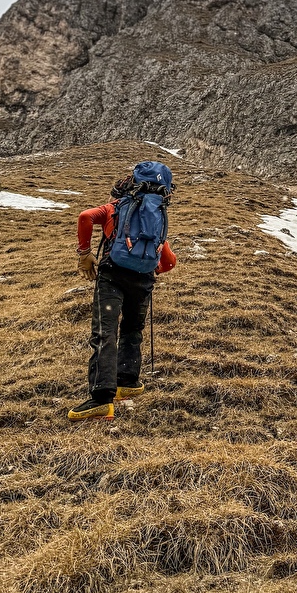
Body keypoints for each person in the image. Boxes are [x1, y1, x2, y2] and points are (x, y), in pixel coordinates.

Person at [67, 164, 177, 422]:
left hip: (113, 276)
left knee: (105, 333)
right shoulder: (154, 219)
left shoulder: (114, 209)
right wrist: (147, 267)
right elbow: (169, 262)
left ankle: (101, 399)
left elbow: (84, 217)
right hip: (143, 281)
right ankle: (127, 381)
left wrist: (84, 254)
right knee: (132, 329)